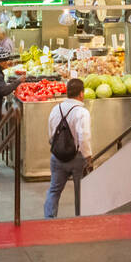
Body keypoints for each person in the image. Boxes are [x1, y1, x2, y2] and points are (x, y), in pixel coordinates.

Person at [44, 77, 93, 219]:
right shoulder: (82, 112)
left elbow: (51, 134)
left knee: (54, 190)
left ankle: (49, 218)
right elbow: (84, 136)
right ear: (81, 94)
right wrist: (88, 157)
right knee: (80, 191)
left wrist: (58, 148)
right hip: (77, 158)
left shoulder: (55, 109)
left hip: (57, 157)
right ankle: (80, 218)